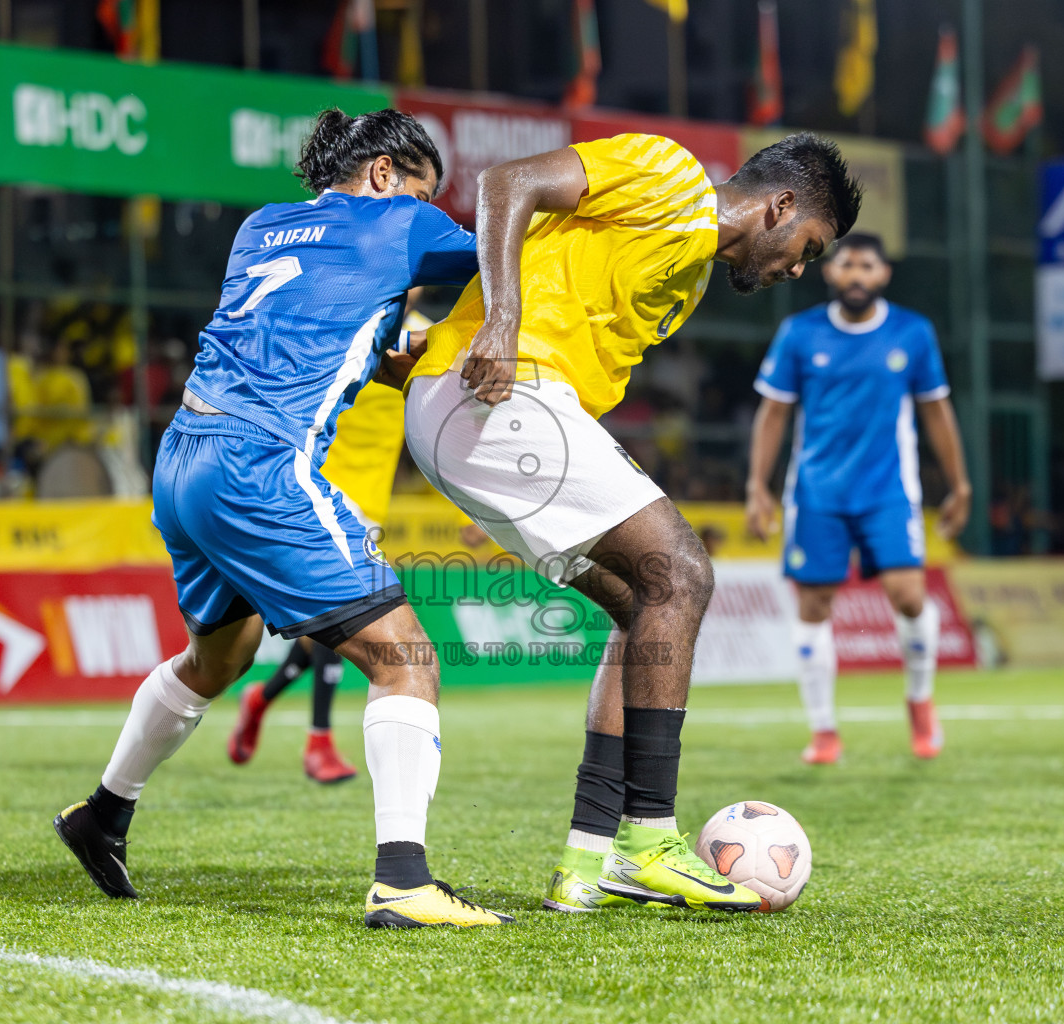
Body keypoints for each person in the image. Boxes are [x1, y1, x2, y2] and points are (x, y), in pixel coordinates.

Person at [53, 108, 512, 929]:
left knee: (218, 657)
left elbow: (304, 321)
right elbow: (506, 245)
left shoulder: (261, 227)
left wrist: (385, 338)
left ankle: (103, 815)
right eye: (419, 187)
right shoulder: (404, 221)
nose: (425, 206)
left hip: (184, 454)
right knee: (407, 659)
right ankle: (404, 881)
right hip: (259, 463)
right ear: (383, 174)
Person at [401, 130, 862, 913]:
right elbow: (507, 182)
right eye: (807, 248)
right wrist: (502, 320)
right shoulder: (670, 174)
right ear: (779, 207)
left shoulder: (686, 282)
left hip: (503, 417)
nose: (795, 271)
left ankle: (590, 860)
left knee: (640, 607)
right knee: (681, 573)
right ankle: (650, 837)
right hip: (497, 390)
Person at [744, 232, 971, 765]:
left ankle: (920, 700)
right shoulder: (800, 334)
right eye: (846, 265)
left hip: (889, 491)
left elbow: (936, 411)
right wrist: (758, 486)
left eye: (867, 266)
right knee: (813, 606)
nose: (856, 275)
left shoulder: (912, 333)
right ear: (829, 272)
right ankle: (823, 730)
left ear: (883, 274)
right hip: (816, 493)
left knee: (909, 595)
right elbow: (774, 412)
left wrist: (958, 484)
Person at [226, 298, 434, 784]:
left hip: (374, 497)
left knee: (333, 625)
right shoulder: (340, 320)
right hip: (322, 485)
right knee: (347, 606)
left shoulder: (427, 339)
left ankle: (263, 697)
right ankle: (318, 740)